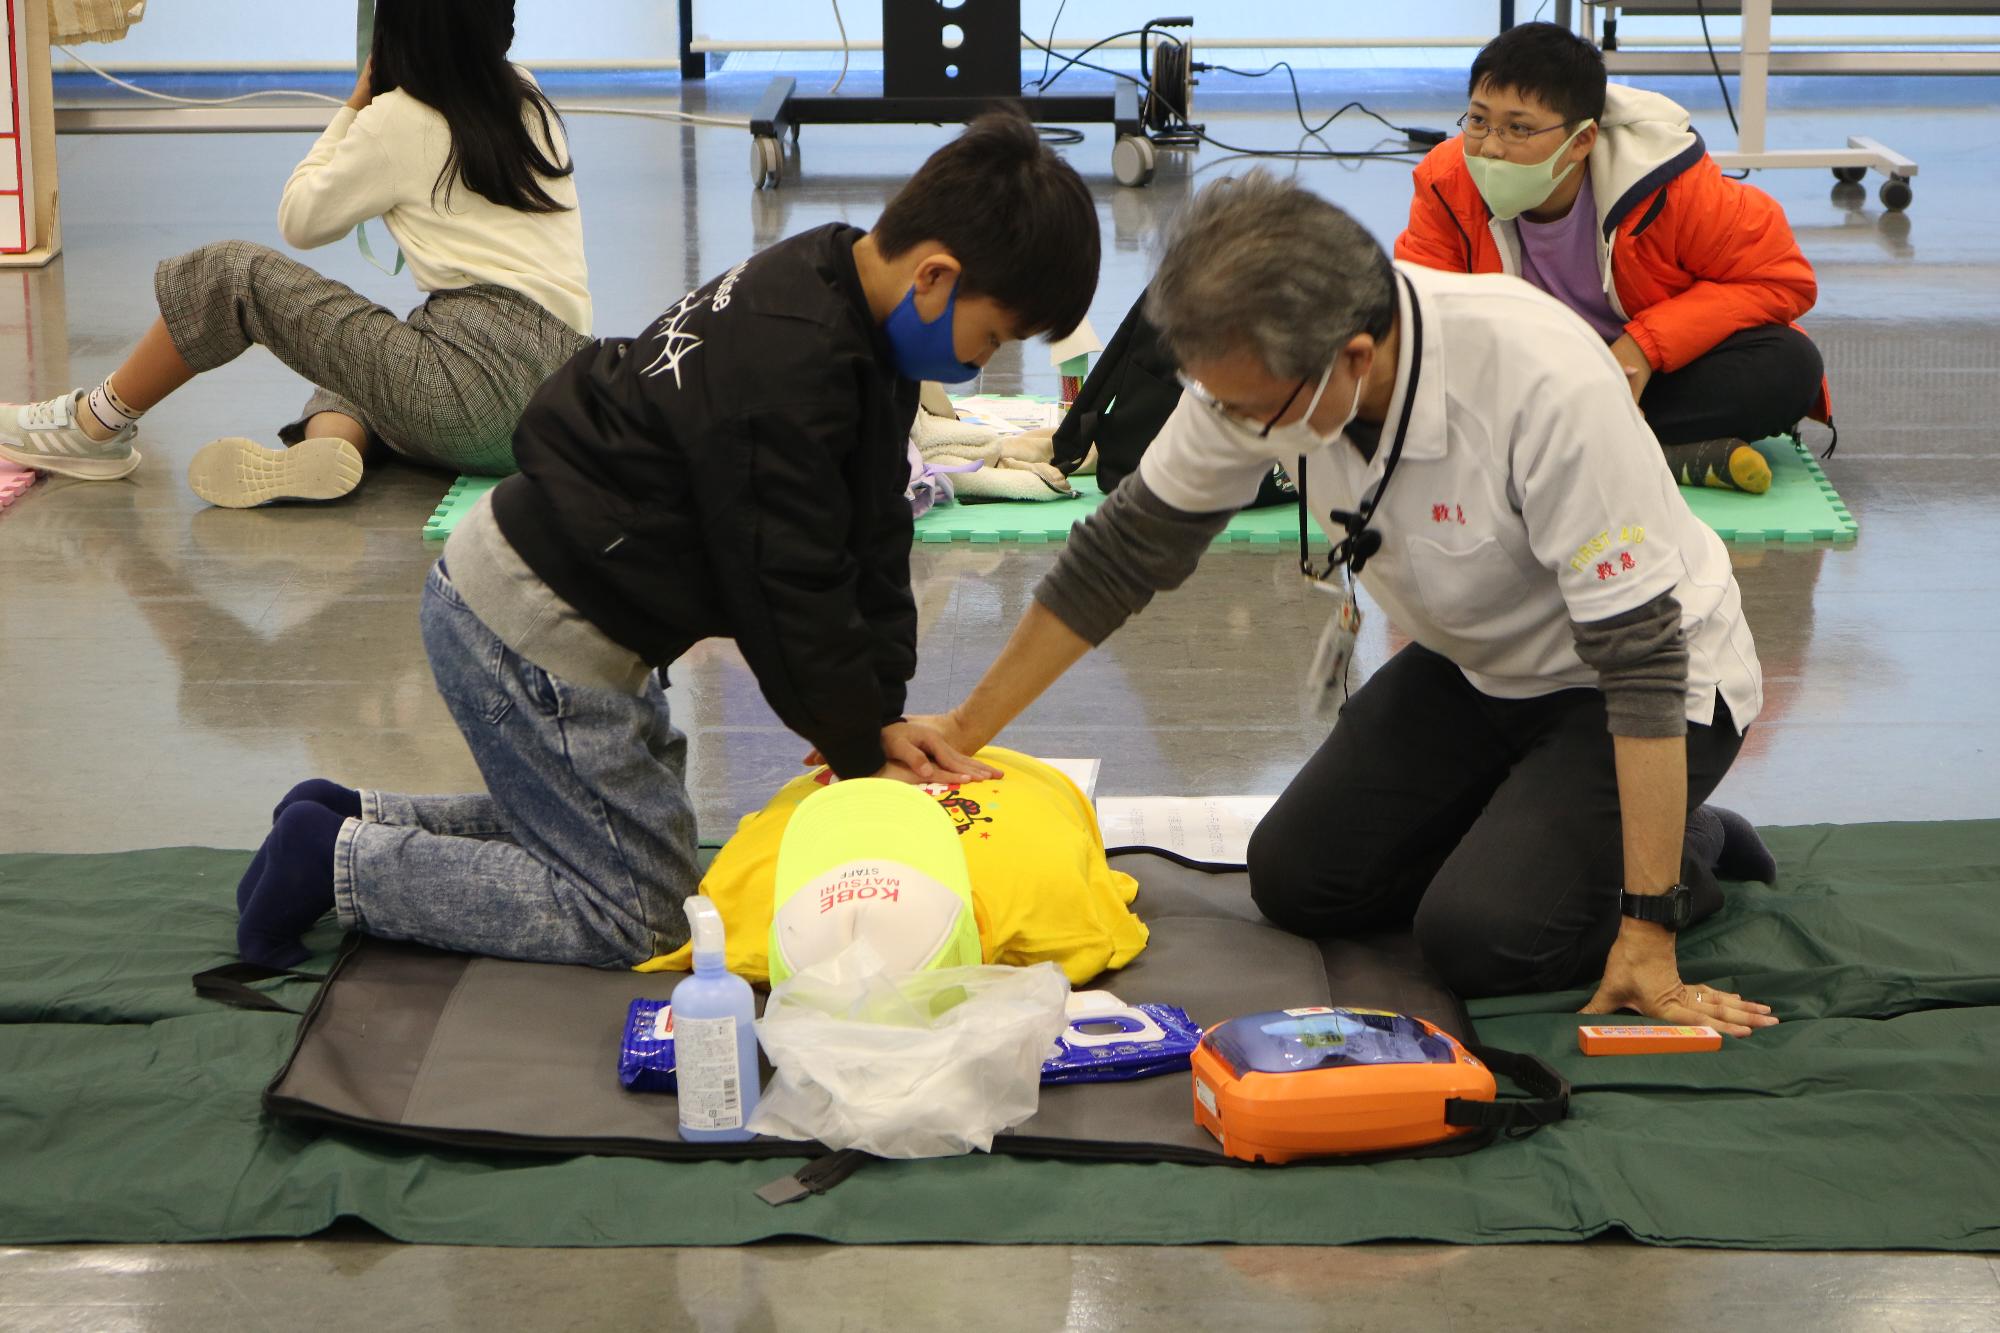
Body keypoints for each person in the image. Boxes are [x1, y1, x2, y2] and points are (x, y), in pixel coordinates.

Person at [230, 110, 1101, 969]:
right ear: (935, 276)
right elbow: (787, 584)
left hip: (572, 611)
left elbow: (873, 535)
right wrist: (855, 749)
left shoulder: (840, 289)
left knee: (655, 852)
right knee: (641, 914)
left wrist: (876, 717)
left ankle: (345, 815)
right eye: (992, 336)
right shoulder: (789, 371)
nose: (984, 362)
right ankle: (336, 863)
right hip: (530, 631)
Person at [919, 171, 1782, 1036]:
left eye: (1254, 413)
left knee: (1481, 941)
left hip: (1640, 688)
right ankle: (1546, 828)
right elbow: (1117, 557)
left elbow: (1642, 659)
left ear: (1357, 358)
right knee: (1300, 879)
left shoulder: (1544, 381)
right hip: (1480, 669)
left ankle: (1684, 851)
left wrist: (1647, 933)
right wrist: (961, 731)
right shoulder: (1257, 368)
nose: (1234, 430)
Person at [0, 0, 591, 508]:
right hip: (562, 401)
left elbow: (299, 218)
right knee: (356, 356)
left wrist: (356, 104)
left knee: (231, 274)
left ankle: (93, 426)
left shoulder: (396, 118)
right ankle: (329, 449)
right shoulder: (528, 93)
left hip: (469, 391)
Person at [1396, 22, 1827, 495]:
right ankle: (1646, 450)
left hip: (1643, 379)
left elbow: (1782, 281)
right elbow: (1423, 312)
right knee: (1400, 371)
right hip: (1521, 382)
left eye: (1518, 128)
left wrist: (1643, 348)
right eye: (1478, 121)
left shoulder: (1670, 183)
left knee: (1789, 366)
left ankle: (1552, 450)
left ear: (1582, 140)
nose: (1492, 145)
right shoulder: (1446, 180)